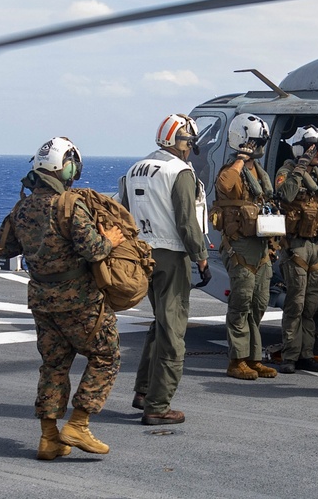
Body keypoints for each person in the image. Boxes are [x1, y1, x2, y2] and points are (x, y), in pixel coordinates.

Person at [0, 137, 124, 458]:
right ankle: (78, 424)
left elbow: (5, 247)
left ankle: (49, 437)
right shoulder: (68, 205)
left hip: (42, 299)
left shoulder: (22, 206)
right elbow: (93, 250)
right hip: (79, 299)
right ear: (63, 166)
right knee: (106, 356)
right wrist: (109, 238)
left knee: (53, 365)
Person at [121, 114, 209, 425]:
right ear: (180, 142)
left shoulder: (135, 170)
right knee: (173, 329)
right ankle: (158, 406)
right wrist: (200, 256)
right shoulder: (179, 171)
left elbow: (124, 215)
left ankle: (144, 390)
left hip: (142, 254)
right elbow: (187, 221)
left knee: (159, 322)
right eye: (189, 141)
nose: (190, 148)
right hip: (172, 255)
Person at [214, 114, 278, 380]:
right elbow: (225, 186)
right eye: (254, 142)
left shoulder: (258, 174)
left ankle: (253, 357)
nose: (258, 147)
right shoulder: (231, 171)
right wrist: (240, 159)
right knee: (241, 303)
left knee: (259, 302)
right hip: (240, 246)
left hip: (262, 246)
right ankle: (236, 360)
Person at [274, 126, 318, 374]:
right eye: (313, 147)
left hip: (317, 246)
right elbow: (286, 194)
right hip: (296, 246)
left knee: (311, 305)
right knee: (295, 303)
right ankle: (290, 355)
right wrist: (300, 166)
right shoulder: (288, 172)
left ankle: (306, 354)